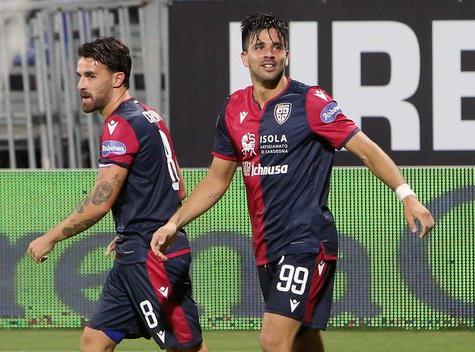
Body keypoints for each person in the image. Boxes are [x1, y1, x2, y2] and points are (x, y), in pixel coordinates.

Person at [150, 14, 435, 352]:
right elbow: (216, 179)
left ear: (286, 55)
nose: (268, 53)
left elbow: (367, 150)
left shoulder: (311, 102)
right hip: (266, 248)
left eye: (277, 46)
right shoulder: (232, 110)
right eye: (259, 47)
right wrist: (173, 223)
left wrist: (407, 195)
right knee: (303, 338)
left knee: (273, 340)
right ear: (245, 57)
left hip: (306, 242)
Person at [27, 37, 206, 352]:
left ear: (118, 78)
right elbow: (173, 186)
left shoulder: (120, 125)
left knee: (185, 348)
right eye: (80, 76)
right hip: (136, 248)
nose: (82, 84)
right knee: (94, 341)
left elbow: (99, 203)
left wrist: (50, 237)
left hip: (151, 256)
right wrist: (132, 224)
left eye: (91, 76)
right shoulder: (148, 115)